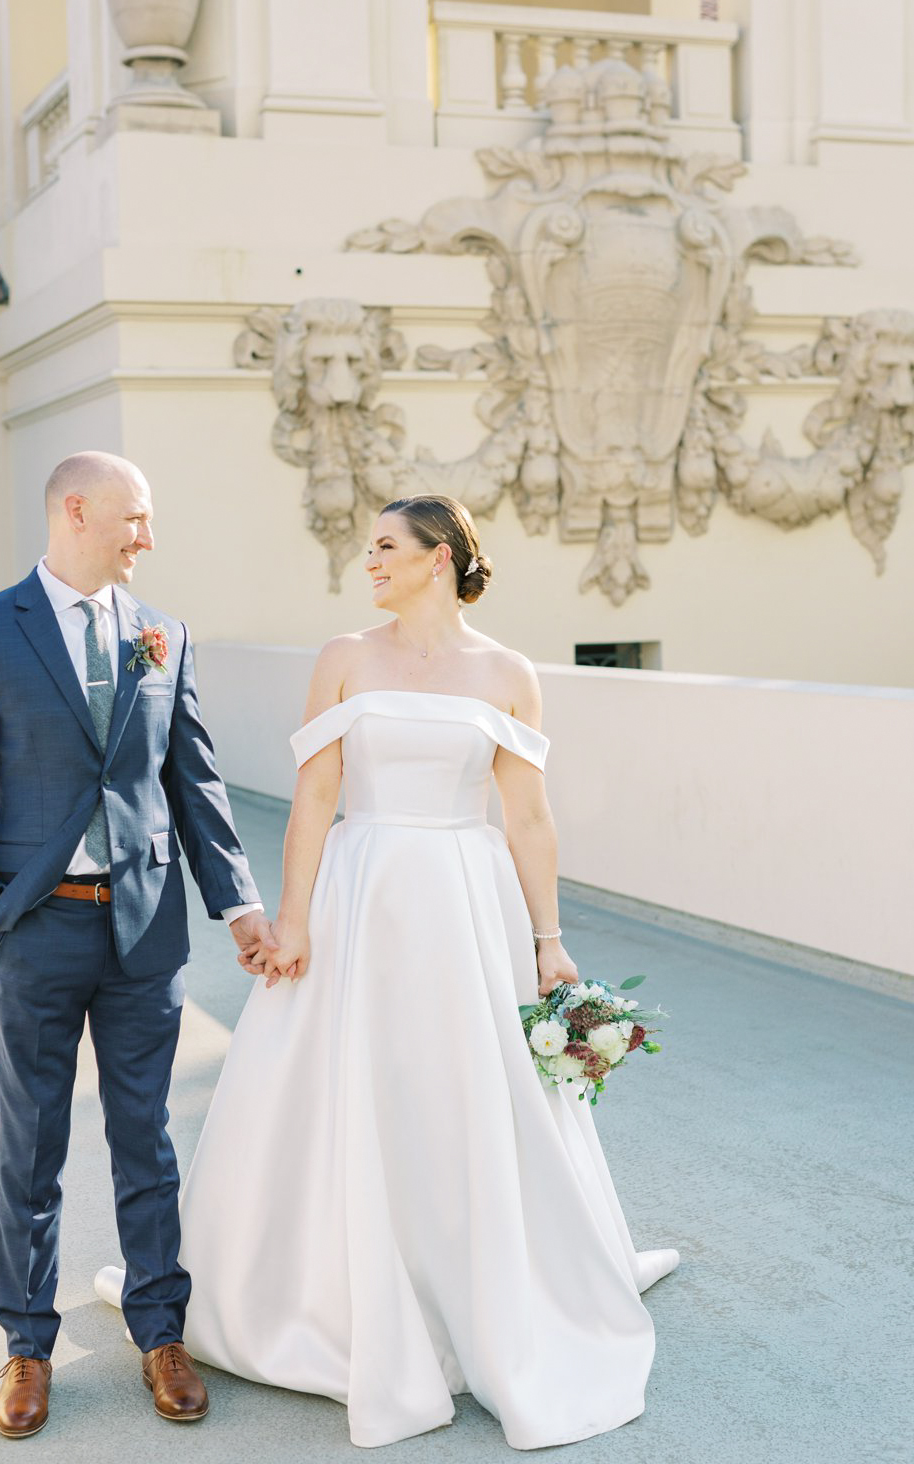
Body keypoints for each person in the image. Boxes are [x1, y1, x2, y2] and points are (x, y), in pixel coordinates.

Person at [104, 493, 678, 1449]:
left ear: (440, 557)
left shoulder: (507, 673)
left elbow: (527, 818)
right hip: (361, 893)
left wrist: (549, 939)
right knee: (354, 1084)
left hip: (466, 896)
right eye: (366, 547)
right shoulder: (343, 657)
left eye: (385, 547)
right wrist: (292, 918)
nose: (368, 561)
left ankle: (482, 1288)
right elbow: (315, 799)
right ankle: (329, 1293)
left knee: (465, 1091)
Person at [0, 450, 277, 1439]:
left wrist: (237, 903)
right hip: (34, 930)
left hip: (144, 926)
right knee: (31, 1148)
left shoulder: (161, 635)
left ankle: (159, 1331)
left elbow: (191, 782)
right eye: (135, 518)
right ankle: (26, 1350)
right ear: (74, 511)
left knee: (146, 1137)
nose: (146, 538)